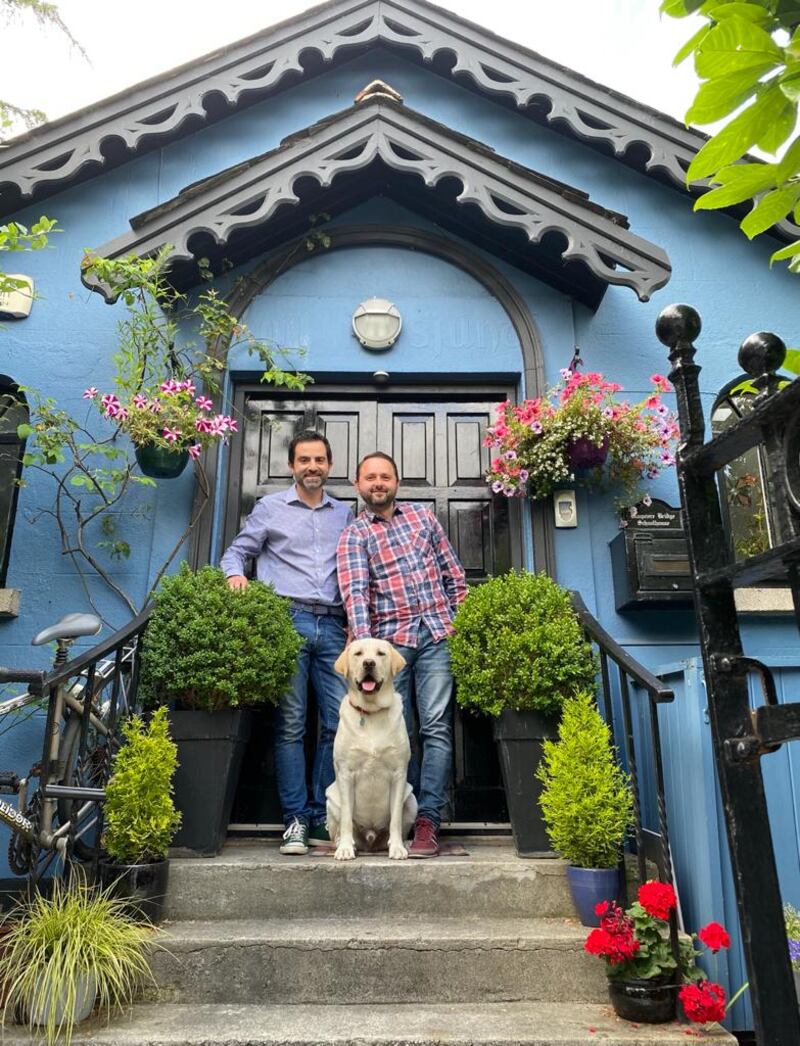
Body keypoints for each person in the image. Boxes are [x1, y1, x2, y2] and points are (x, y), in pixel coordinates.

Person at [220, 429, 353, 855]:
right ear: (292, 465)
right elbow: (236, 552)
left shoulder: (346, 513)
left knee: (339, 723)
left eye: (319, 460)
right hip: (287, 620)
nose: (312, 467)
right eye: (304, 460)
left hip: (335, 626)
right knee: (292, 724)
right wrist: (235, 575)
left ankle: (320, 814)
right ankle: (295, 819)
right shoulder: (270, 508)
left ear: (329, 466)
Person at [336, 451, 467, 858]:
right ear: (358, 485)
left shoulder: (423, 520)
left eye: (385, 476)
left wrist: (459, 622)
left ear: (396, 482)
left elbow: (453, 573)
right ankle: (380, 825)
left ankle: (427, 820)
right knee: (399, 729)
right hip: (392, 643)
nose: (378, 483)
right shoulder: (355, 535)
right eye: (370, 477)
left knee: (437, 727)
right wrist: (366, 651)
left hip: (438, 635)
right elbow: (356, 593)